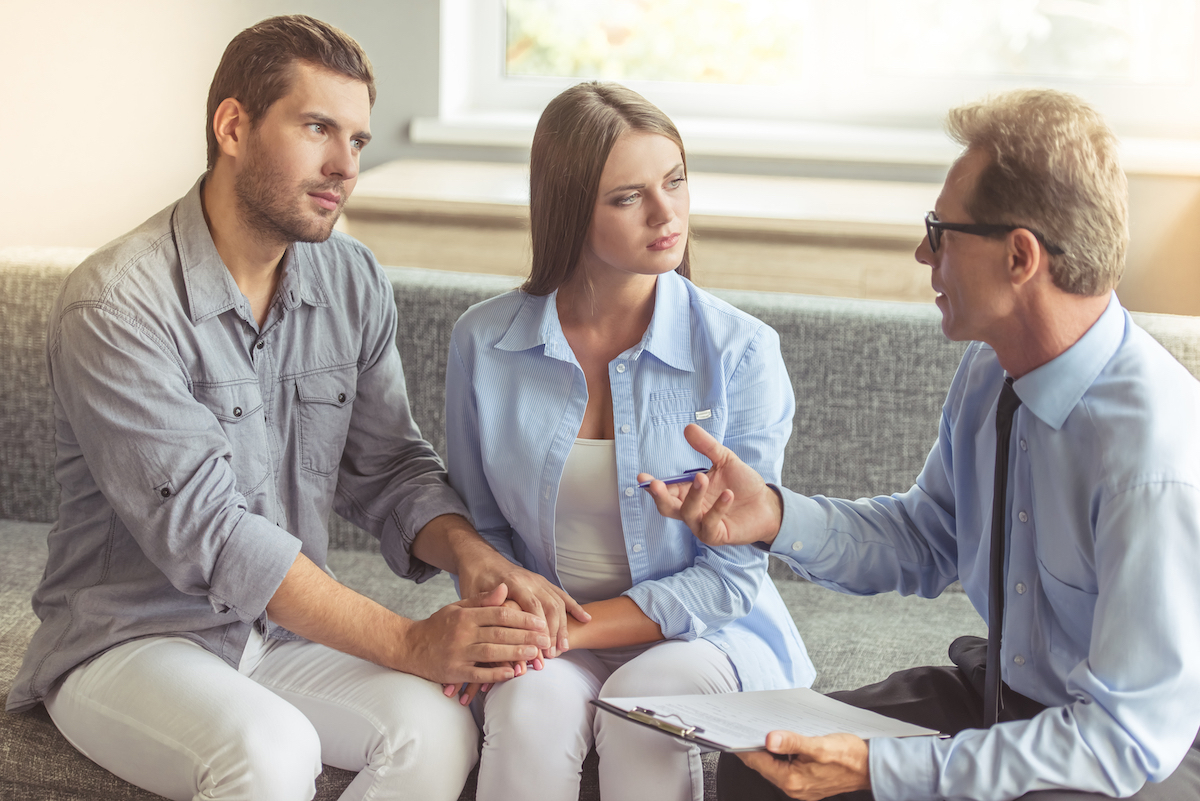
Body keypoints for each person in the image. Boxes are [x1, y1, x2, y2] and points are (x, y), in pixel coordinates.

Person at [5, 15, 584, 801]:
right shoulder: (117, 304)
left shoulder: (351, 280)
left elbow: (388, 465)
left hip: (275, 633)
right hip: (129, 638)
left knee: (438, 729)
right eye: (318, 128)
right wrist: (409, 639)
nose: (344, 165)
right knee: (271, 750)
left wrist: (474, 556)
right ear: (234, 125)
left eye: (358, 141)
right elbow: (212, 533)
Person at [641, 89, 1200, 801]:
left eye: (942, 231)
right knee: (767, 775)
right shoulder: (991, 366)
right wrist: (776, 515)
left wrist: (880, 767)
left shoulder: (1150, 459)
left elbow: (1122, 739)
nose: (921, 251)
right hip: (1003, 697)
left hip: (1136, 748)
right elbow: (928, 536)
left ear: (1019, 256)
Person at [444, 82, 813, 801]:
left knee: (647, 696)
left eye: (674, 181)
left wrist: (562, 633)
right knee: (527, 706)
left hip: (703, 637)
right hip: (549, 639)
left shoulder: (741, 352)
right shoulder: (483, 343)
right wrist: (520, 627)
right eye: (627, 196)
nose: (666, 212)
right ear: (568, 209)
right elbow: (483, 534)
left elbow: (730, 577)